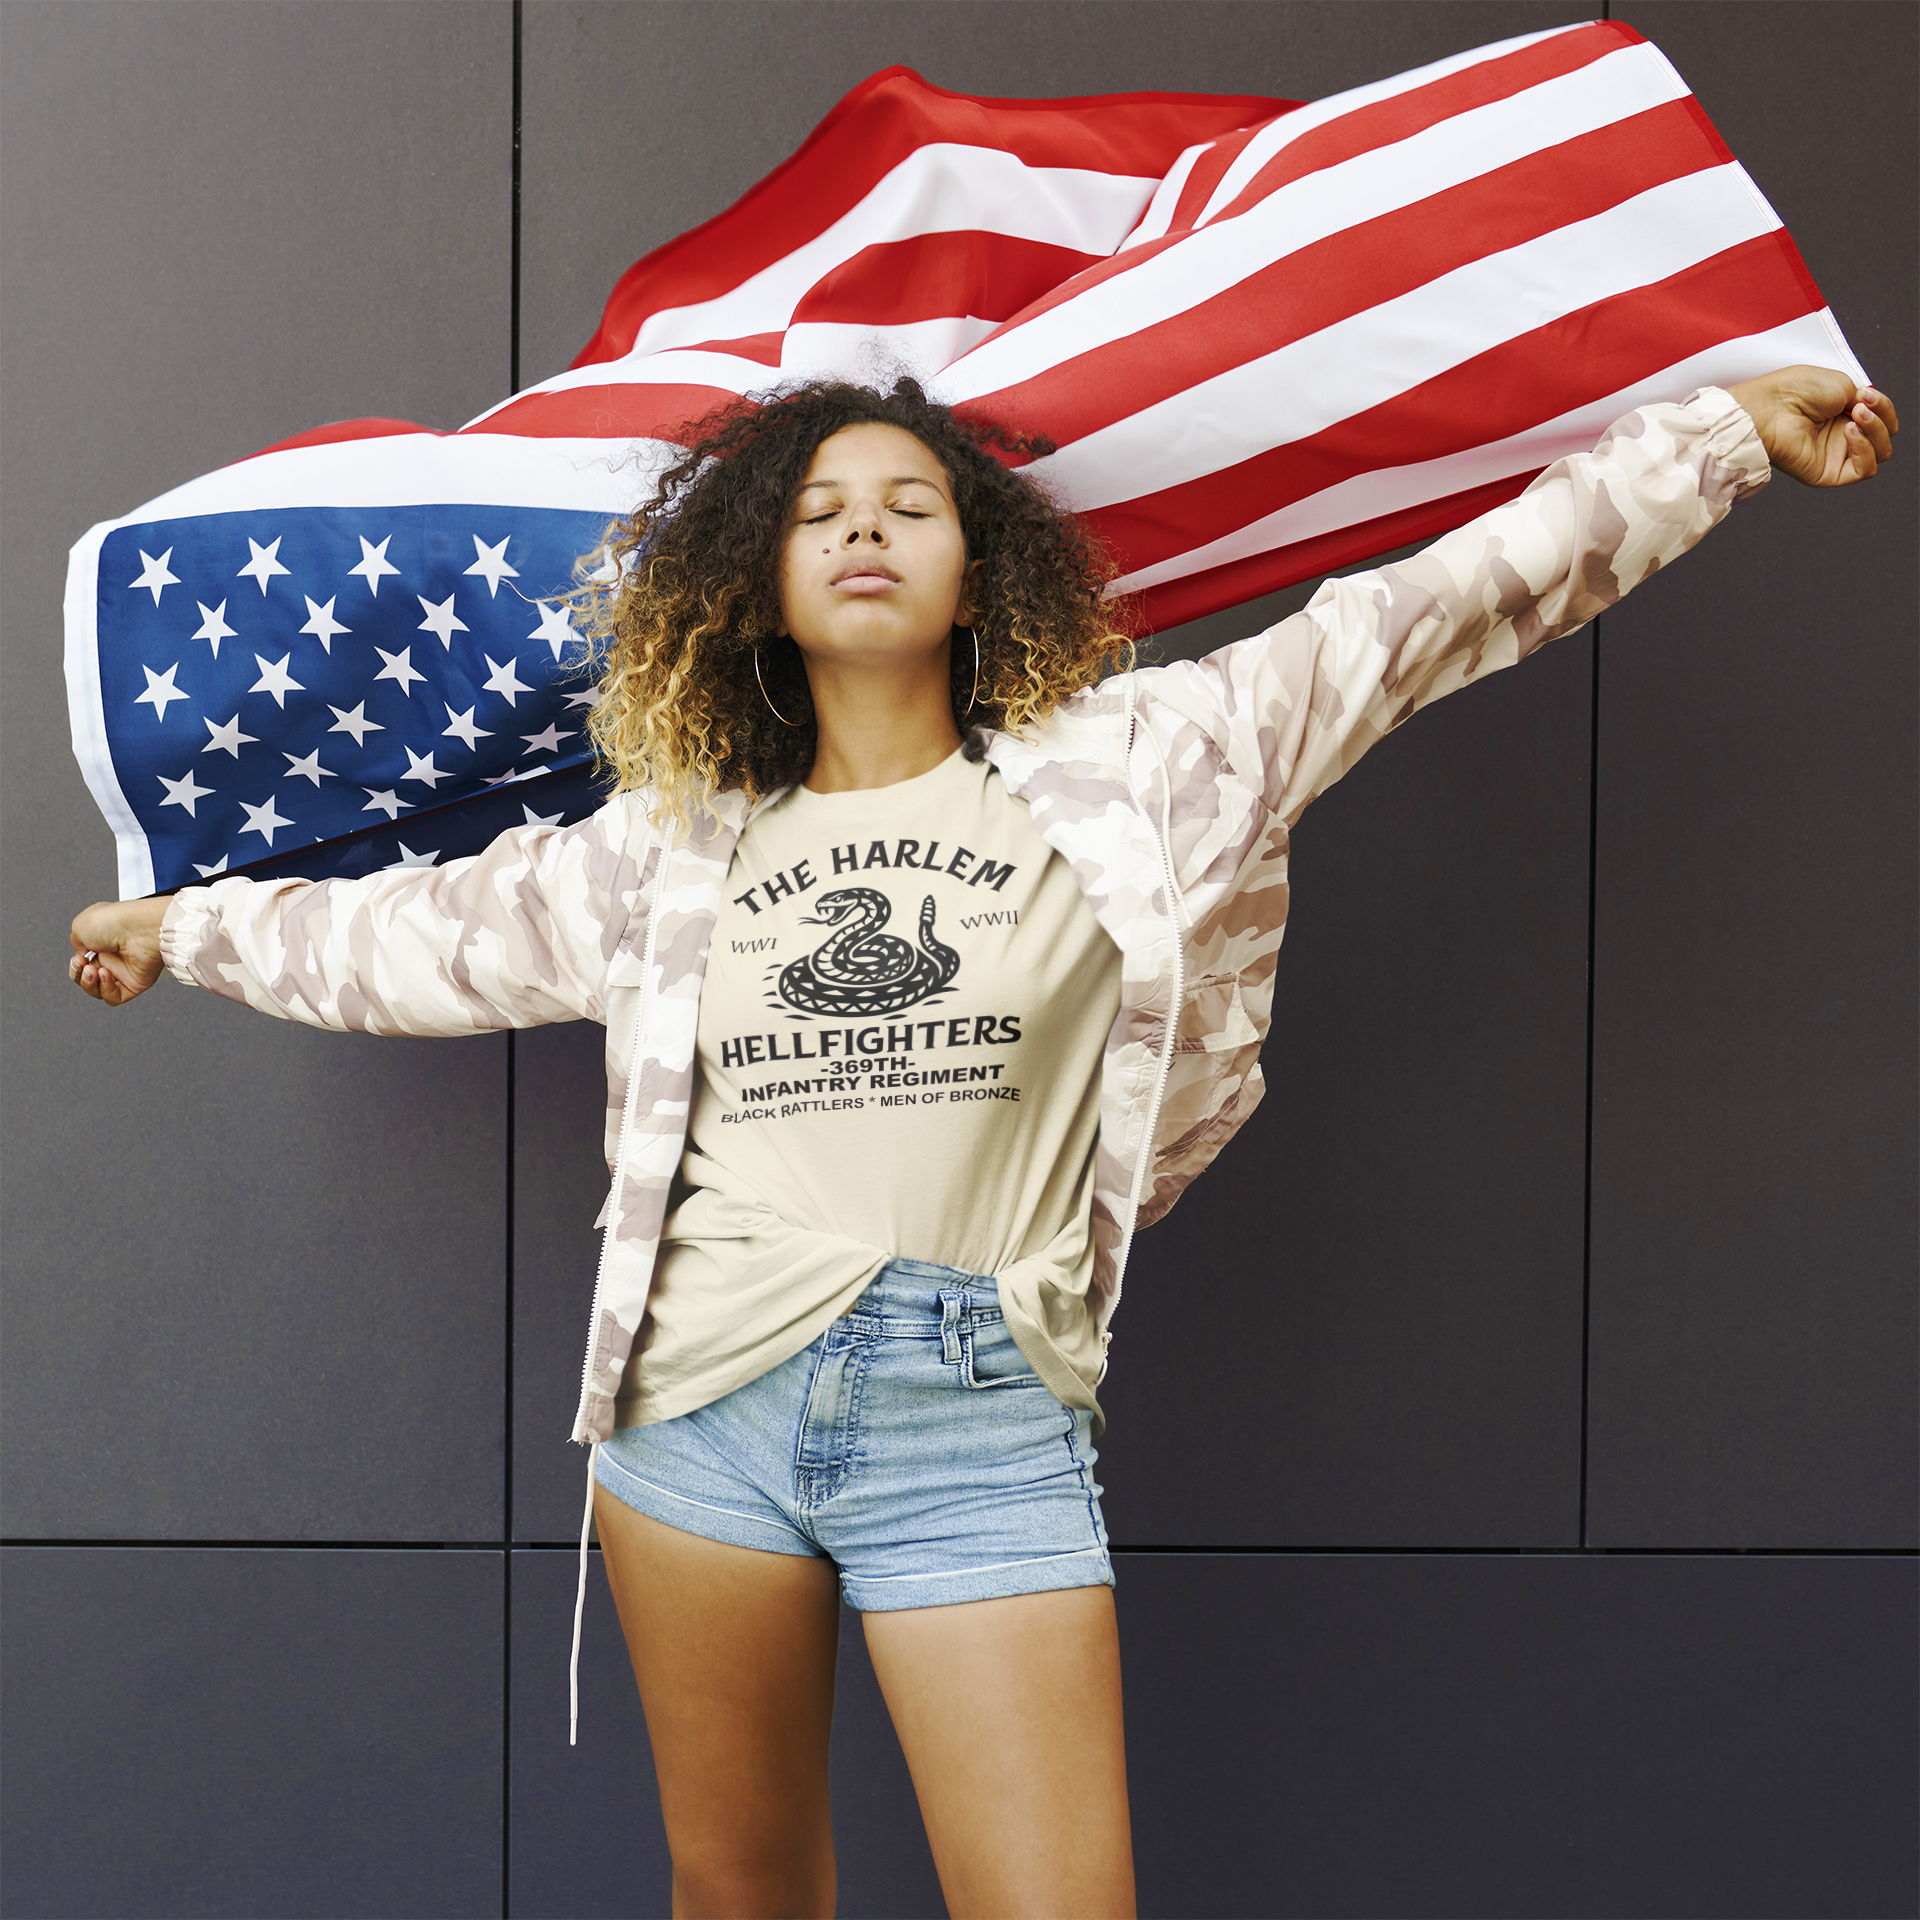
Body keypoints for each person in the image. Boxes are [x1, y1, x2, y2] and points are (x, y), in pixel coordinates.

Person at [69, 365, 1895, 1920]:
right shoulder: (670, 846)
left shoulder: (1156, 760)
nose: (866, 529)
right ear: (756, 579)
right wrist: (198, 932)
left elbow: (1428, 612)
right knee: (742, 1896)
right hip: (696, 1412)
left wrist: (1720, 438)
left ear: (978, 564)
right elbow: (422, 940)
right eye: (818, 510)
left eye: (911, 504)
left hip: (977, 1409)